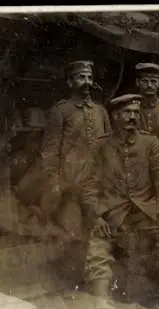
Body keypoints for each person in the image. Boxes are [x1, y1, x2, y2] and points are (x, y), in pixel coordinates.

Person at [81, 94, 159, 309]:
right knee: (98, 247)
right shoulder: (101, 146)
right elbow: (89, 186)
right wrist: (96, 215)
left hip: (145, 213)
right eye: (127, 113)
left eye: (136, 113)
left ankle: (153, 295)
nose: (133, 117)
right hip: (112, 214)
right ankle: (101, 299)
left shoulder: (150, 143)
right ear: (115, 116)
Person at [40, 60, 112, 240]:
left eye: (89, 77)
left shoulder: (101, 111)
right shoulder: (61, 111)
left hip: (98, 185)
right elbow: (50, 151)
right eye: (81, 78)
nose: (87, 82)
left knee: (103, 234)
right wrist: (54, 182)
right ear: (70, 83)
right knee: (73, 235)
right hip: (70, 185)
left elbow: (111, 148)